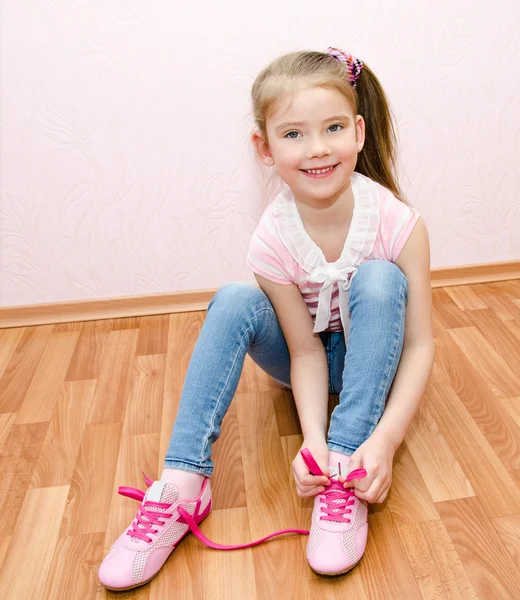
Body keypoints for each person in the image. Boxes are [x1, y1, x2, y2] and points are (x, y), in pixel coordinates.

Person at [98, 47, 435, 591]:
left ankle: (344, 474)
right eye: (294, 134)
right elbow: (303, 351)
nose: (318, 148)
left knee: (378, 278)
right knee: (233, 298)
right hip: (305, 360)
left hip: (370, 357)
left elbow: (419, 346)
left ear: (360, 131)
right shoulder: (271, 238)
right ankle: (183, 483)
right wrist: (311, 440)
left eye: (332, 128)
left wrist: (385, 442)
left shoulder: (399, 223)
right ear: (264, 146)